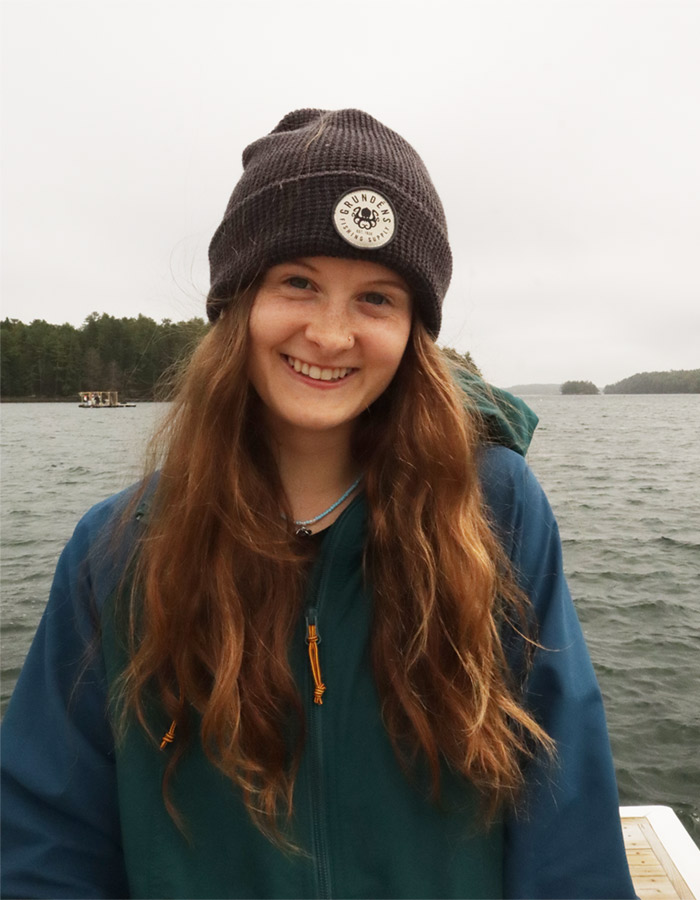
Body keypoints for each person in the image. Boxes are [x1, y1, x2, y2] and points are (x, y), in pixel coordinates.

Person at [0, 108, 636, 899]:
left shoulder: (496, 512)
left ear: (413, 331)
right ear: (237, 304)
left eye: (376, 298)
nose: (331, 334)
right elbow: (46, 842)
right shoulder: (118, 550)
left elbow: (563, 800)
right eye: (297, 282)